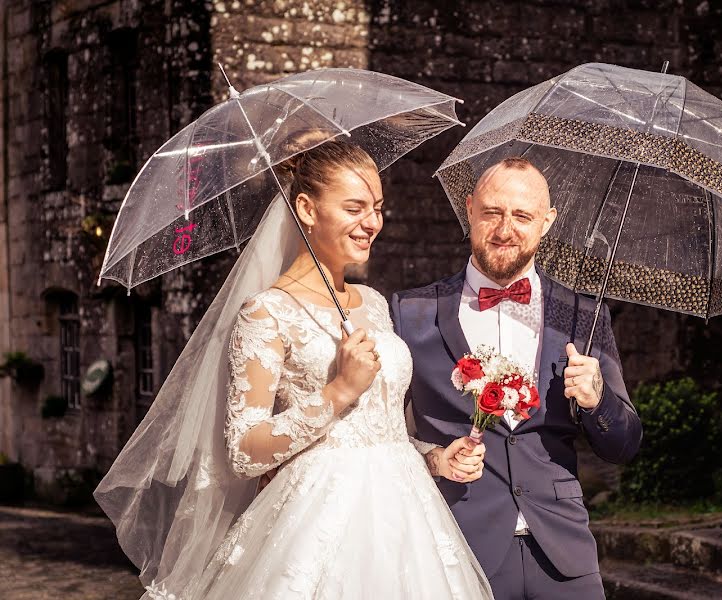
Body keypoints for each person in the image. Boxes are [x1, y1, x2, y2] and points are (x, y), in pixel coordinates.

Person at [97, 140, 493, 600]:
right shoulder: (266, 314)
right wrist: (338, 391)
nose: (372, 223)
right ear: (306, 208)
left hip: (407, 520)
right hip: (315, 525)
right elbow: (244, 452)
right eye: (354, 207)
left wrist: (436, 457)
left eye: (378, 208)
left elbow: (382, 429)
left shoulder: (375, 304)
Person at [391, 157, 643, 599]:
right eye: (492, 212)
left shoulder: (584, 315)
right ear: (468, 209)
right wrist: (435, 459)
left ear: (546, 222)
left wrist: (596, 399)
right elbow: (381, 435)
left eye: (522, 216)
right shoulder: (409, 314)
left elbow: (623, 445)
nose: (505, 229)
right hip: (457, 551)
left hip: (566, 558)